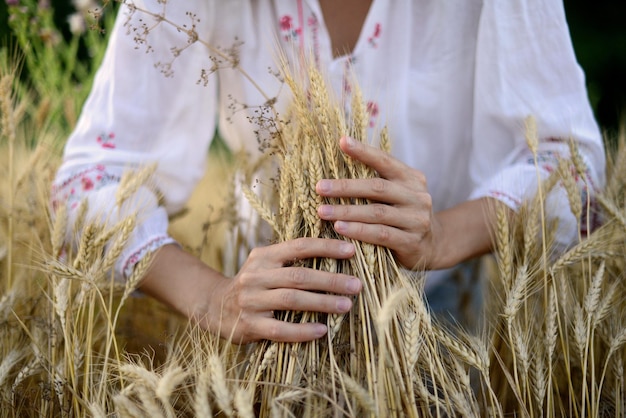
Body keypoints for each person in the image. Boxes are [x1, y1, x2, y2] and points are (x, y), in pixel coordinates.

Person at [52, 0, 606, 344]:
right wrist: (213, 298)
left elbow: (573, 170)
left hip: (440, 308)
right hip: (267, 319)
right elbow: (86, 186)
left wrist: (441, 236)